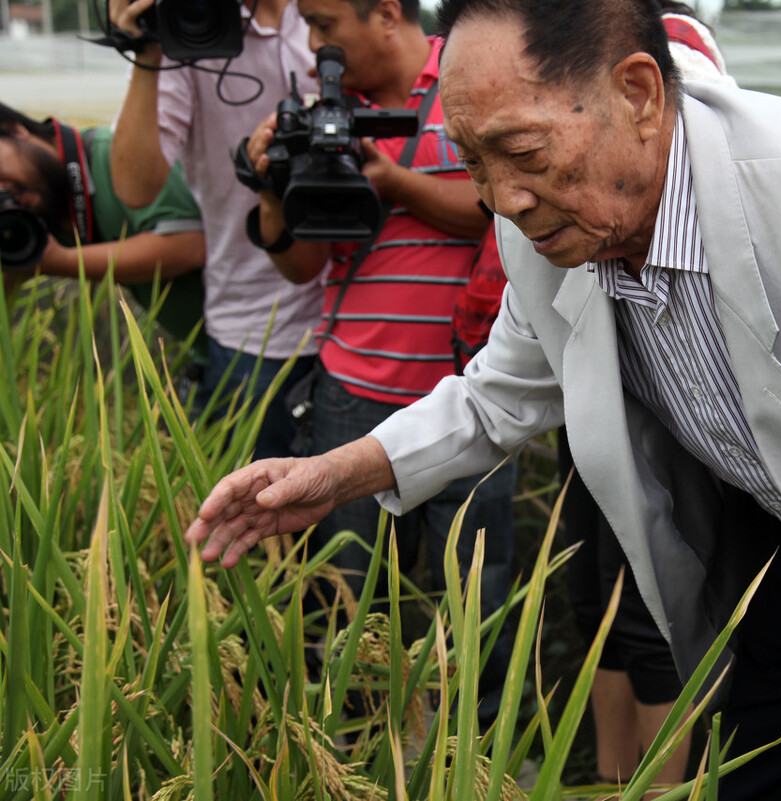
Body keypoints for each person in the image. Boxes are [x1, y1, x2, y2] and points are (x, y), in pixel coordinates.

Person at [184, 1, 781, 798]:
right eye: (474, 162)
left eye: (521, 151)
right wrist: (329, 476)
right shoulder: (550, 232)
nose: (502, 200)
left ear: (639, 94)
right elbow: (498, 396)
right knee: (766, 777)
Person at [238, 0, 516, 724]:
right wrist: (274, 182)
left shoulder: (471, 78)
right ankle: (357, 748)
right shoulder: (324, 114)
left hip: (476, 397)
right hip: (351, 395)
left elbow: (498, 206)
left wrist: (391, 182)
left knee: (475, 605)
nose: (313, 44)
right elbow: (301, 265)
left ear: (387, 13)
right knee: (353, 605)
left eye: (326, 23)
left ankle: (470, 757)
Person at [557, 3, 731, 787]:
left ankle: (663, 786)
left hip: (674, 421)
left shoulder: (678, 41)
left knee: (653, 606)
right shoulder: (578, 39)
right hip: (590, 393)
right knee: (595, 596)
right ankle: (608, 776)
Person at [106, 0, 325, 458]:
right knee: (260, 520)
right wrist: (148, 47)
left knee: (370, 521)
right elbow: (135, 186)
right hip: (257, 331)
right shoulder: (187, 30)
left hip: (367, 320)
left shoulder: (332, 13)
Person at [0, 102, 205, 358]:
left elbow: (188, 246)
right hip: (214, 351)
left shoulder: (114, 154)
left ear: (16, 130)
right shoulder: (37, 208)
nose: (3, 190)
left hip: (254, 343)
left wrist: (57, 261)